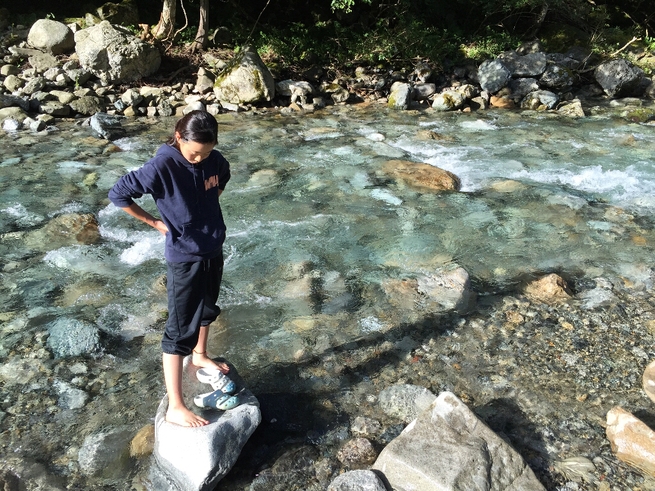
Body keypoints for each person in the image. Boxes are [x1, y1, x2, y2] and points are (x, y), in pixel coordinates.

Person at [108, 110, 231, 427]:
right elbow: (118, 194)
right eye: (194, 153)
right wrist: (155, 222)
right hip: (183, 256)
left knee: (207, 307)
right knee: (177, 332)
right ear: (179, 138)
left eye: (205, 152)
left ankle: (201, 355)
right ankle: (176, 405)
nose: (199, 159)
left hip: (212, 247)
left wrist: (206, 213)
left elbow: (222, 179)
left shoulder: (214, 160)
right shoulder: (162, 165)